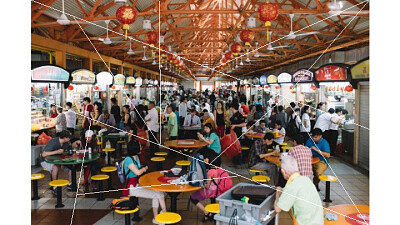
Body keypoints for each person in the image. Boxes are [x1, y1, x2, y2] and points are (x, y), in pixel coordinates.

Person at [123, 137, 167, 224]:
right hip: (131, 187)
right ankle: (162, 214)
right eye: (139, 146)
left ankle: (160, 216)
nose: (141, 147)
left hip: (136, 184)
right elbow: (138, 172)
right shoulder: (128, 159)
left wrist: (144, 168)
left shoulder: (136, 157)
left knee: (158, 192)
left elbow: (140, 169)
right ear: (135, 148)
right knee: (157, 194)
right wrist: (145, 168)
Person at [274, 155, 323, 225]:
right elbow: (292, 191)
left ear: (283, 171)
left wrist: (277, 196)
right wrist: (281, 190)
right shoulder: (305, 179)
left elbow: (277, 209)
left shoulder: (292, 186)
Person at [189, 158, 232, 222]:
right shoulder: (220, 169)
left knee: (193, 198)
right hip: (217, 191)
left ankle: (206, 212)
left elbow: (207, 186)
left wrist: (202, 184)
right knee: (212, 199)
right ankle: (212, 215)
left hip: (210, 191)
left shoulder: (211, 171)